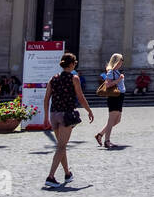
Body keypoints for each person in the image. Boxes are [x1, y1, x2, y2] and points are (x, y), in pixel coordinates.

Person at [42, 52, 93, 187]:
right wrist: (89, 110)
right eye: (75, 63)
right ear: (71, 64)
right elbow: (80, 97)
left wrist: (45, 117)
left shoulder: (53, 79)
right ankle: (50, 176)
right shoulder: (74, 78)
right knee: (61, 146)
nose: (75, 65)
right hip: (66, 115)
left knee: (61, 145)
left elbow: (46, 99)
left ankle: (67, 173)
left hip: (54, 115)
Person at [95, 54, 126, 149]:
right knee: (111, 120)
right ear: (116, 61)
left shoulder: (116, 71)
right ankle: (107, 141)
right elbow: (108, 85)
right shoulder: (111, 72)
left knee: (117, 120)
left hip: (120, 96)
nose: (121, 63)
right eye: (120, 61)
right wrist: (119, 79)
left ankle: (100, 134)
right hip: (114, 97)